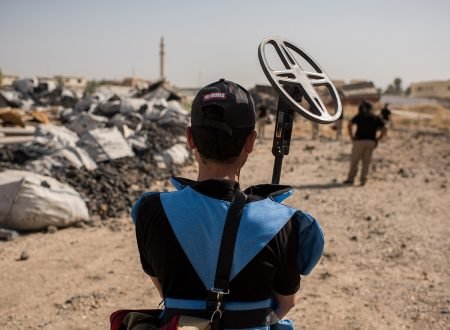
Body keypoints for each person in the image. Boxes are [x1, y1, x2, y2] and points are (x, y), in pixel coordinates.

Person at [131, 79, 324, 329]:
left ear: (190, 138)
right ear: (251, 142)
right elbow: (286, 302)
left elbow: (164, 291)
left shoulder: (152, 211)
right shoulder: (282, 223)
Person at [344, 101, 386, 186]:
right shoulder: (376, 117)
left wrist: (352, 136)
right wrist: (378, 139)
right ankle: (363, 180)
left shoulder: (360, 116)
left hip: (359, 140)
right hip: (371, 141)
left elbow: (349, 124)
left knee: (355, 161)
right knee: (366, 162)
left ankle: (350, 179)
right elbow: (384, 129)